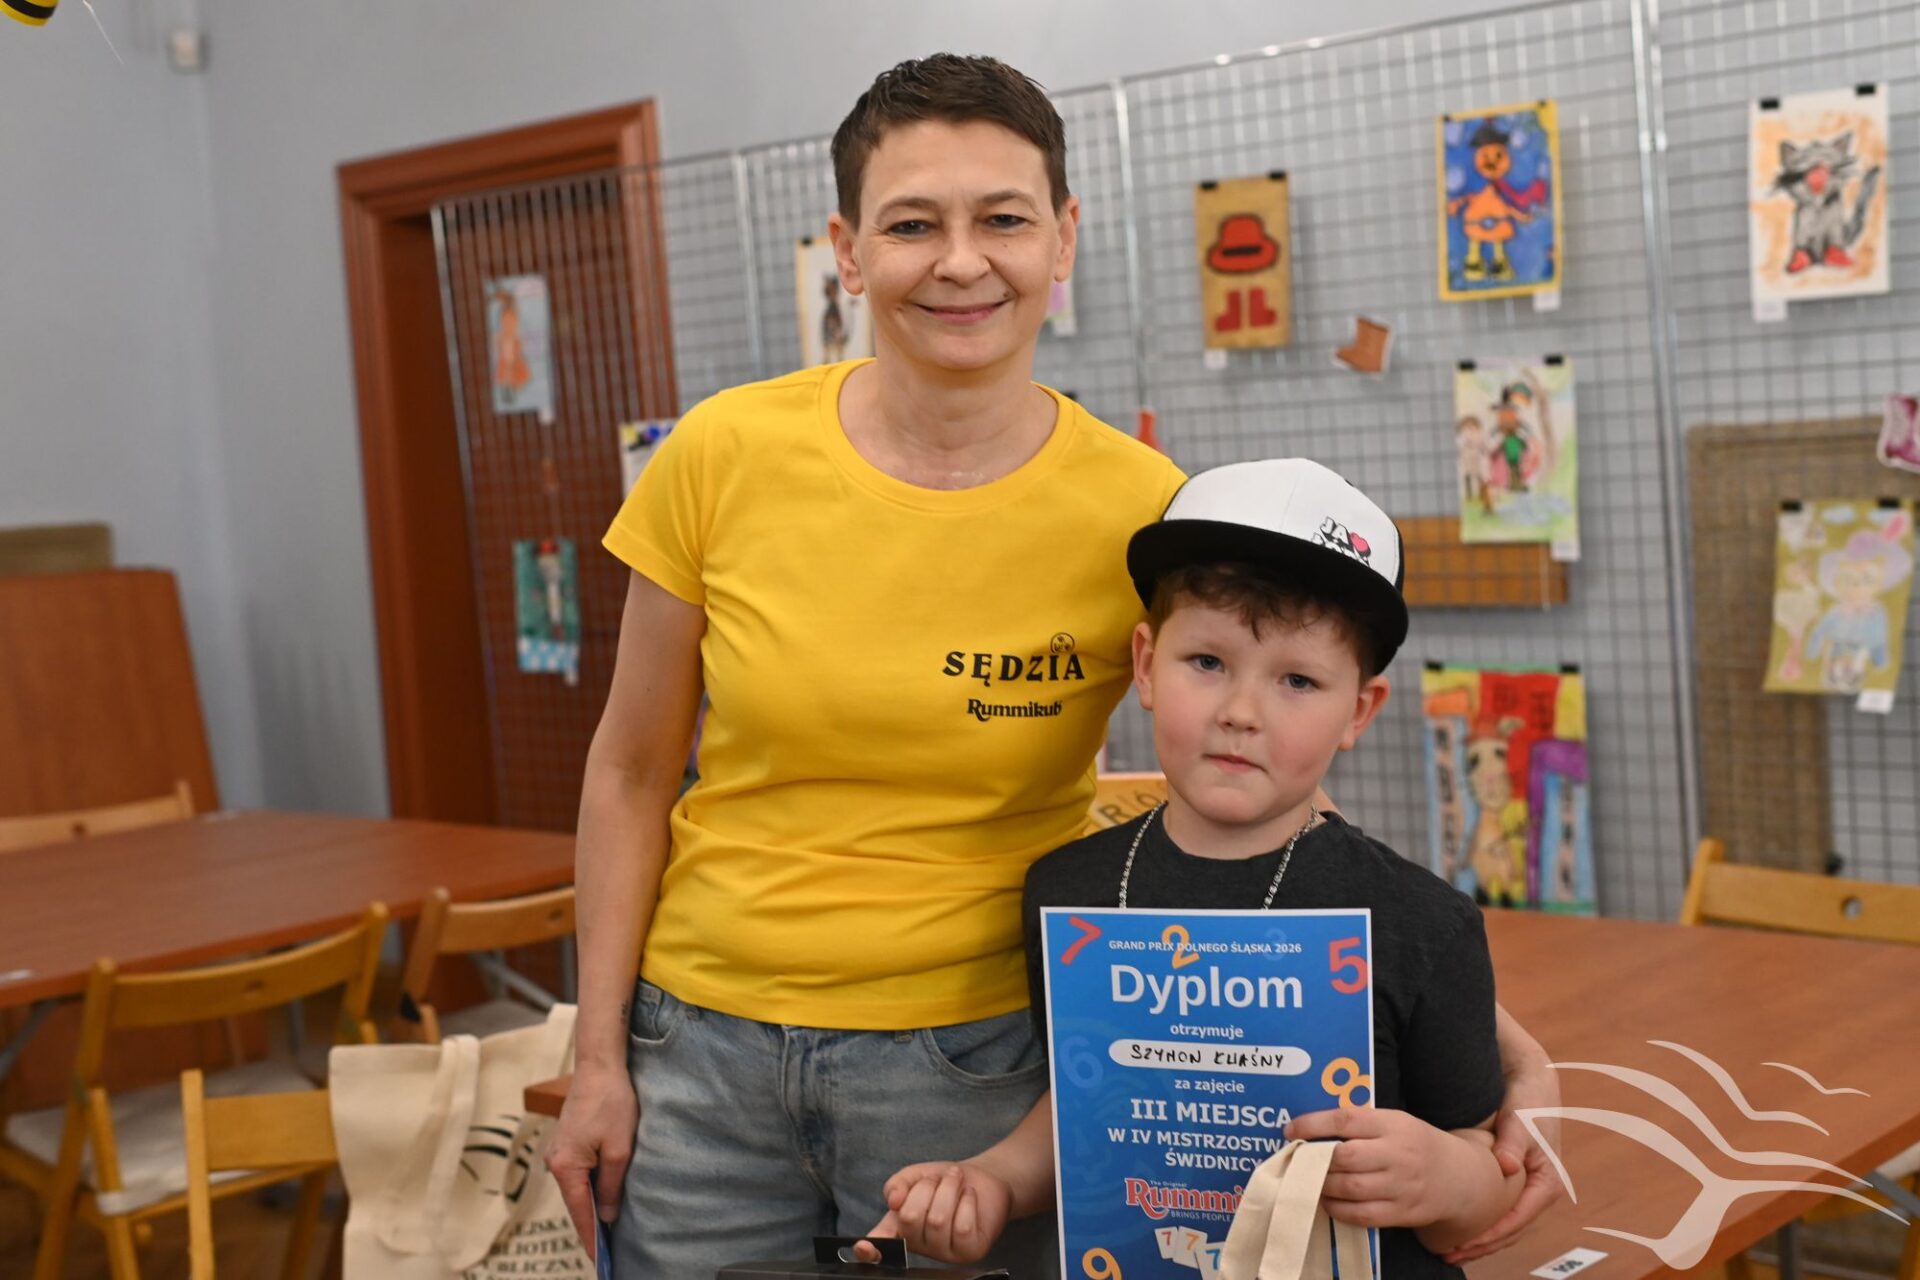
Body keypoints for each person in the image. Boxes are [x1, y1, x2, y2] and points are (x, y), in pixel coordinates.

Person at [543, 54, 1562, 1277]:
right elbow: (629, 770)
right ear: (847, 250)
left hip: (986, 1071)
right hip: (696, 1057)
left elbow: (1256, 780)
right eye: (912, 224)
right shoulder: (720, 454)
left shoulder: (1141, 508)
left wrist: (1494, 1040)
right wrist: (599, 1056)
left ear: (1063, 237)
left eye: (1004, 219)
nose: (960, 260)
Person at [873, 459, 1526, 1277]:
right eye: (1207, 663)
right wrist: (994, 1181)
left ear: (1358, 711)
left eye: (1298, 680)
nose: (1241, 713)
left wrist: (1447, 1176)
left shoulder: (1423, 922)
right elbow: (1082, 1113)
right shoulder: (1068, 893)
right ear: (1146, 665)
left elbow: (1488, 1171)